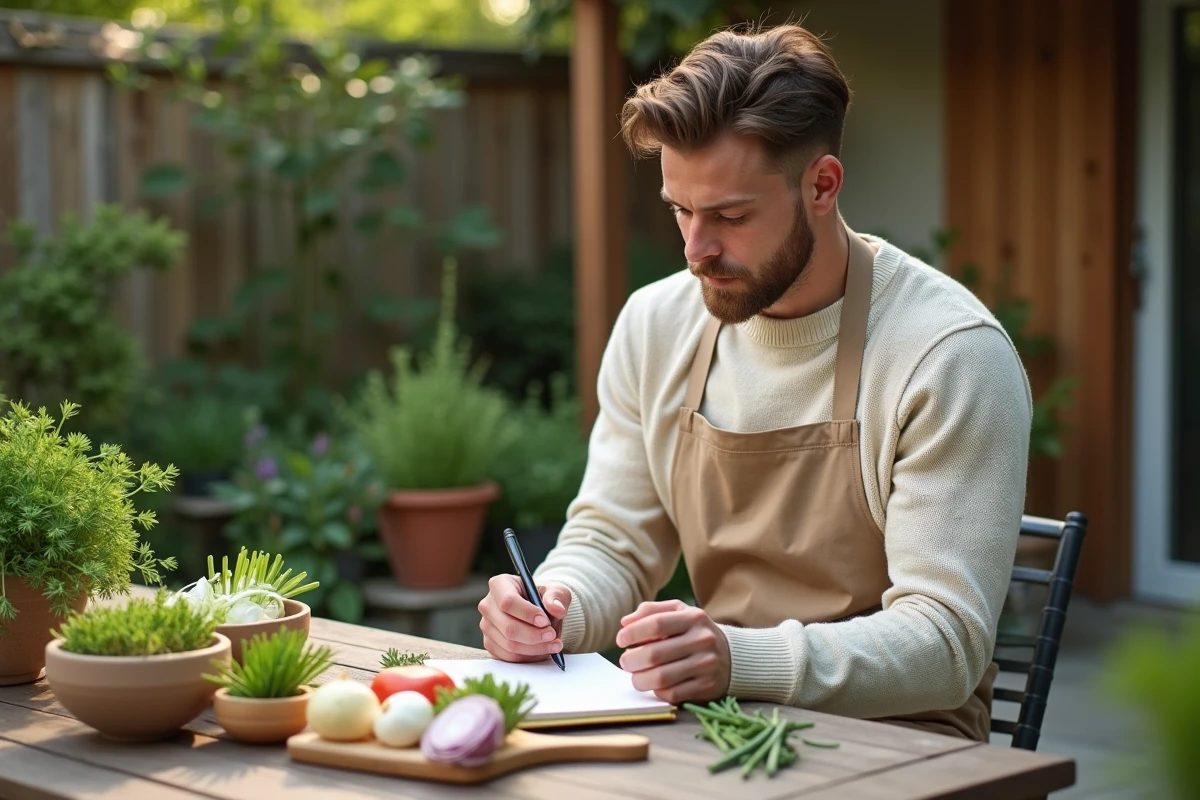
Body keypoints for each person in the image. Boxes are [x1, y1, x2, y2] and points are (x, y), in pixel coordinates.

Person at [476, 22, 1031, 742]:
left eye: (730, 217)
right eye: (681, 210)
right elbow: (614, 538)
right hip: (717, 725)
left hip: (904, 744)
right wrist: (556, 605)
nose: (695, 250)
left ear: (823, 185)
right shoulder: (656, 325)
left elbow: (946, 644)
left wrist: (738, 657)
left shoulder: (948, 355)